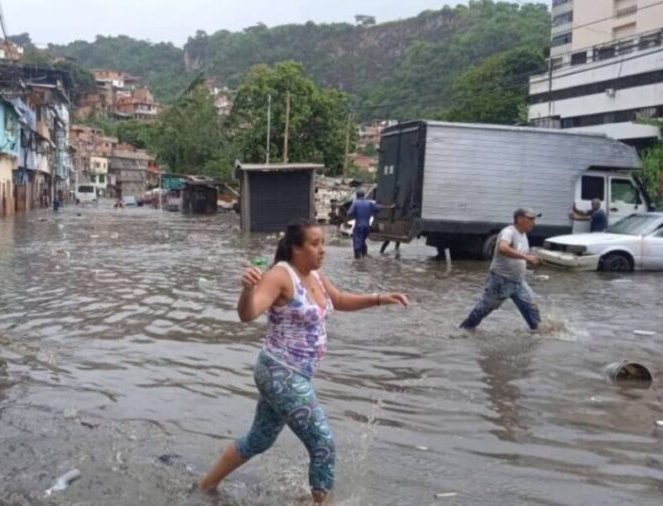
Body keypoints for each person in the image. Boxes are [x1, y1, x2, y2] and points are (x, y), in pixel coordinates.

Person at [198, 220, 409, 504]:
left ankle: (205, 485)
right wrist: (247, 290)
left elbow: (340, 299)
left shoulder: (315, 274)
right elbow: (248, 314)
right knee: (323, 443)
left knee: (258, 440)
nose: (323, 250)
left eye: (323, 243)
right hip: (281, 374)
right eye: (315, 244)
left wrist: (380, 298)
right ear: (296, 248)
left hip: (291, 375)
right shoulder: (280, 275)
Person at [460, 208, 542, 331]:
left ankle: (539, 335)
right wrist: (526, 257)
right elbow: (503, 248)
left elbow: (518, 257)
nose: (534, 223)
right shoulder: (508, 232)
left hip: (518, 282)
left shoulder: (523, 235)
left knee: (532, 308)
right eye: (530, 219)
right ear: (519, 219)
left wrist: (530, 261)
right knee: (484, 309)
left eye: (534, 219)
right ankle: (464, 330)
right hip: (501, 281)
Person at [345, 191, 380, 258]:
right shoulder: (369, 203)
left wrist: (345, 222)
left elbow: (349, 213)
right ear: (364, 195)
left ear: (357, 196)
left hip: (359, 225)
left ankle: (358, 261)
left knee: (357, 242)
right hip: (367, 226)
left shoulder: (355, 203)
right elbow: (378, 209)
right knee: (363, 241)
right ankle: (364, 257)